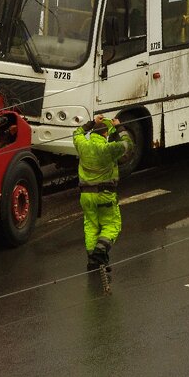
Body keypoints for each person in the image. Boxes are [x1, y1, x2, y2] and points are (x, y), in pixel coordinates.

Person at [72, 114, 133, 272]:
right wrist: (120, 127)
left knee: (91, 226)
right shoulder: (108, 149)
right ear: (106, 134)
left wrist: (91, 123)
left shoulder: (82, 145)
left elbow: (77, 133)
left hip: (85, 196)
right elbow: (128, 145)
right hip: (105, 194)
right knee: (111, 225)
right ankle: (100, 253)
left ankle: (93, 262)